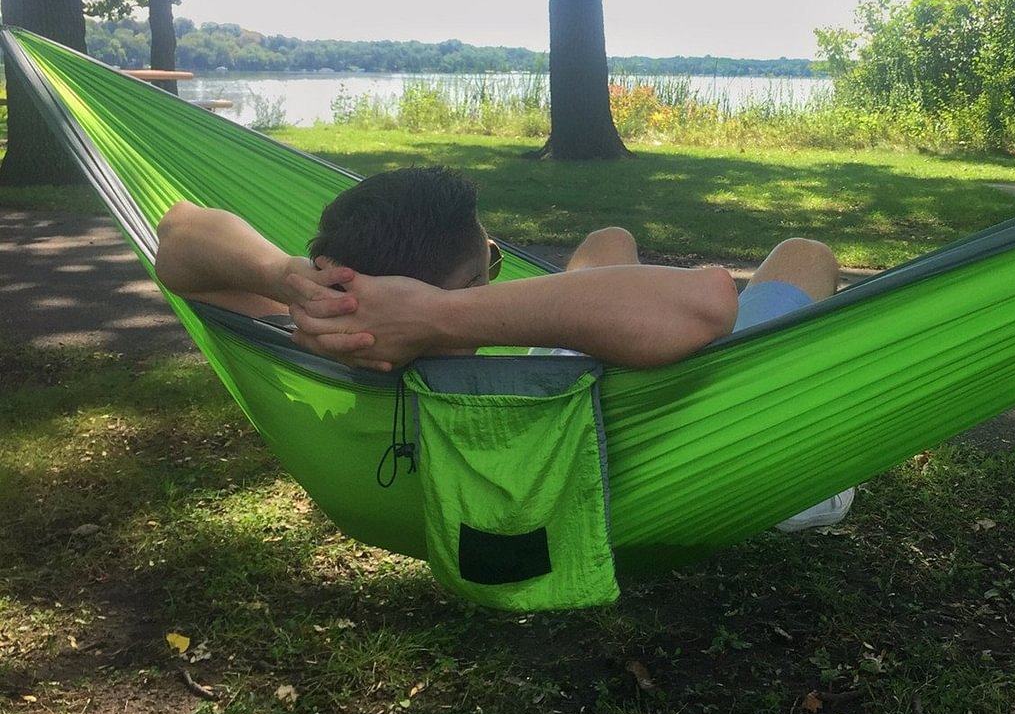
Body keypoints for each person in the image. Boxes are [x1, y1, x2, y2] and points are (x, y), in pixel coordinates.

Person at [155, 166, 854, 528]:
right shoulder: (469, 346)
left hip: (552, 397)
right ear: (468, 285)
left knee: (608, 243)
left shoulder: (316, 341)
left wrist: (285, 278)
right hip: (703, 451)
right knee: (803, 251)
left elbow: (181, 233)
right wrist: (444, 313)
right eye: (490, 262)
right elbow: (706, 304)